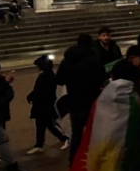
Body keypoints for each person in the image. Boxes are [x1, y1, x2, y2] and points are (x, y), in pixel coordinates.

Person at [56, 34, 108, 163]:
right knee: (95, 132)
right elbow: (102, 78)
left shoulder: (67, 59)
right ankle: (95, 160)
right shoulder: (93, 59)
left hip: (74, 101)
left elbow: (59, 79)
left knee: (77, 134)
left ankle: (73, 162)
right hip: (91, 101)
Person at [26, 55, 69, 154]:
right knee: (43, 124)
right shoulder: (48, 75)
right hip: (43, 105)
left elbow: (41, 91)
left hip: (44, 105)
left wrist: (32, 97)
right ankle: (40, 144)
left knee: (47, 124)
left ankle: (64, 138)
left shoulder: (46, 76)